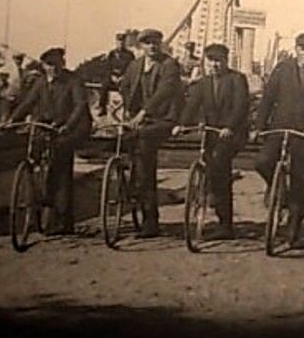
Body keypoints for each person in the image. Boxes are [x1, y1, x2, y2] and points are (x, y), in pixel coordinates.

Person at [253, 32, 304, 248]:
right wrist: (260, 126)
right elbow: (268, 99)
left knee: (303, 180)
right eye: (302, 48)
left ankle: (294, 229)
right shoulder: (282, 69)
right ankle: (278, 189)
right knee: (263, 162)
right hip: (280, 128)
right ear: (296, 49)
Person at [3, 47, 92, 235]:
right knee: (36, 152)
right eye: (50, 65)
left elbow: (80, 106)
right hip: (49, 125)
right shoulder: (41, 82)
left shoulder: (73, 80)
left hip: (74, 126)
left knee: (60, 164)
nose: (54, 68)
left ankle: (63, 221)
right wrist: (12, 120)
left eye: (58, 64)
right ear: (43, 66)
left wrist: (67, 125)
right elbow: (28, 103)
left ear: (63, 64)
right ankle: (38, 200)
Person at [178, 43, 250, 239]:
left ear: (226, 61)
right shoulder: (203, 83)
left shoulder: (237, 79)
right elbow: (192, 105)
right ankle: (210, 191)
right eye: (210, 61)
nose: (214, 65)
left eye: (218, 61)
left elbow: (241, 106)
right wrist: (182, 124)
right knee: (210, 163)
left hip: (232, 133)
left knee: (220, 164)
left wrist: (230, 126)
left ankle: (225, 225)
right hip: (211, 133)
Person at [120, 29, 182, 238]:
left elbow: (165, 91)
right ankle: (134, 179)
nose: (152, 46)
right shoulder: (135, 65)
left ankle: (150, 219)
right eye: (147, 43)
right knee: (124, 140)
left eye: (155, 42)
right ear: (141, 46)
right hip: (141, 119)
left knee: (144, 147)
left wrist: (143, 112)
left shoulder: (169, 65)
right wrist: (129, 109)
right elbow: (125, 86)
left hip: (163, 118)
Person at [98, 32, 135, 117]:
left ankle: (128, 109)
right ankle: (102, 107)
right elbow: (107, 67)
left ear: (125, 42)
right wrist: (112, 76)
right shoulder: (112, 54)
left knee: (126, 89)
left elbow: (132, 68)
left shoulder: (130, 55)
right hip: (113, 78)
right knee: (104, 84)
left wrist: (124, 77)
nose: (120, 43)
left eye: (122, 41)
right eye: (119, 41)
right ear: (116, 42)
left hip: (124, 78)